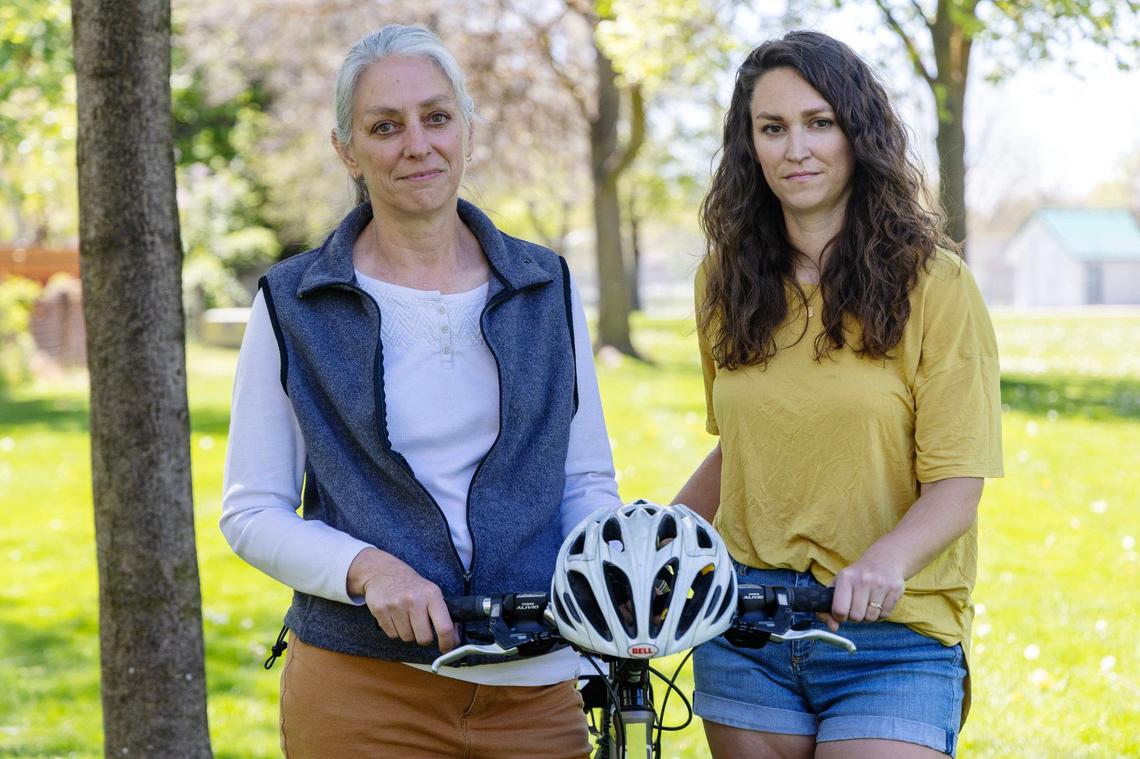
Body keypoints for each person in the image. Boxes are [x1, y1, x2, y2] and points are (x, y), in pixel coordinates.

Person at [220, 24, 620, 759]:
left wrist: (605, 594)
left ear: (467, 130)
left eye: (436, 118)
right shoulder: (294, 302)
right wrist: (369, 570)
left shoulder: (545, 285)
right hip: (363, 691)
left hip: (535, 685)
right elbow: (251, 510)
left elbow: (584, 481)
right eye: (385, 126)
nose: (417, 145)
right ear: (347, 150)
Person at [673, 30, 1003, 759]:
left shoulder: (937, 285)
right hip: (747, 624)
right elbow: (741, 450)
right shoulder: (723, 284)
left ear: (857, 134)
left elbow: (957, 484)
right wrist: (657, 539)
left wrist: (883, 562)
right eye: (773, 128)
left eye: (818, 122)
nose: (796, 148)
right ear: (750, 147)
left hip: (894, 634)